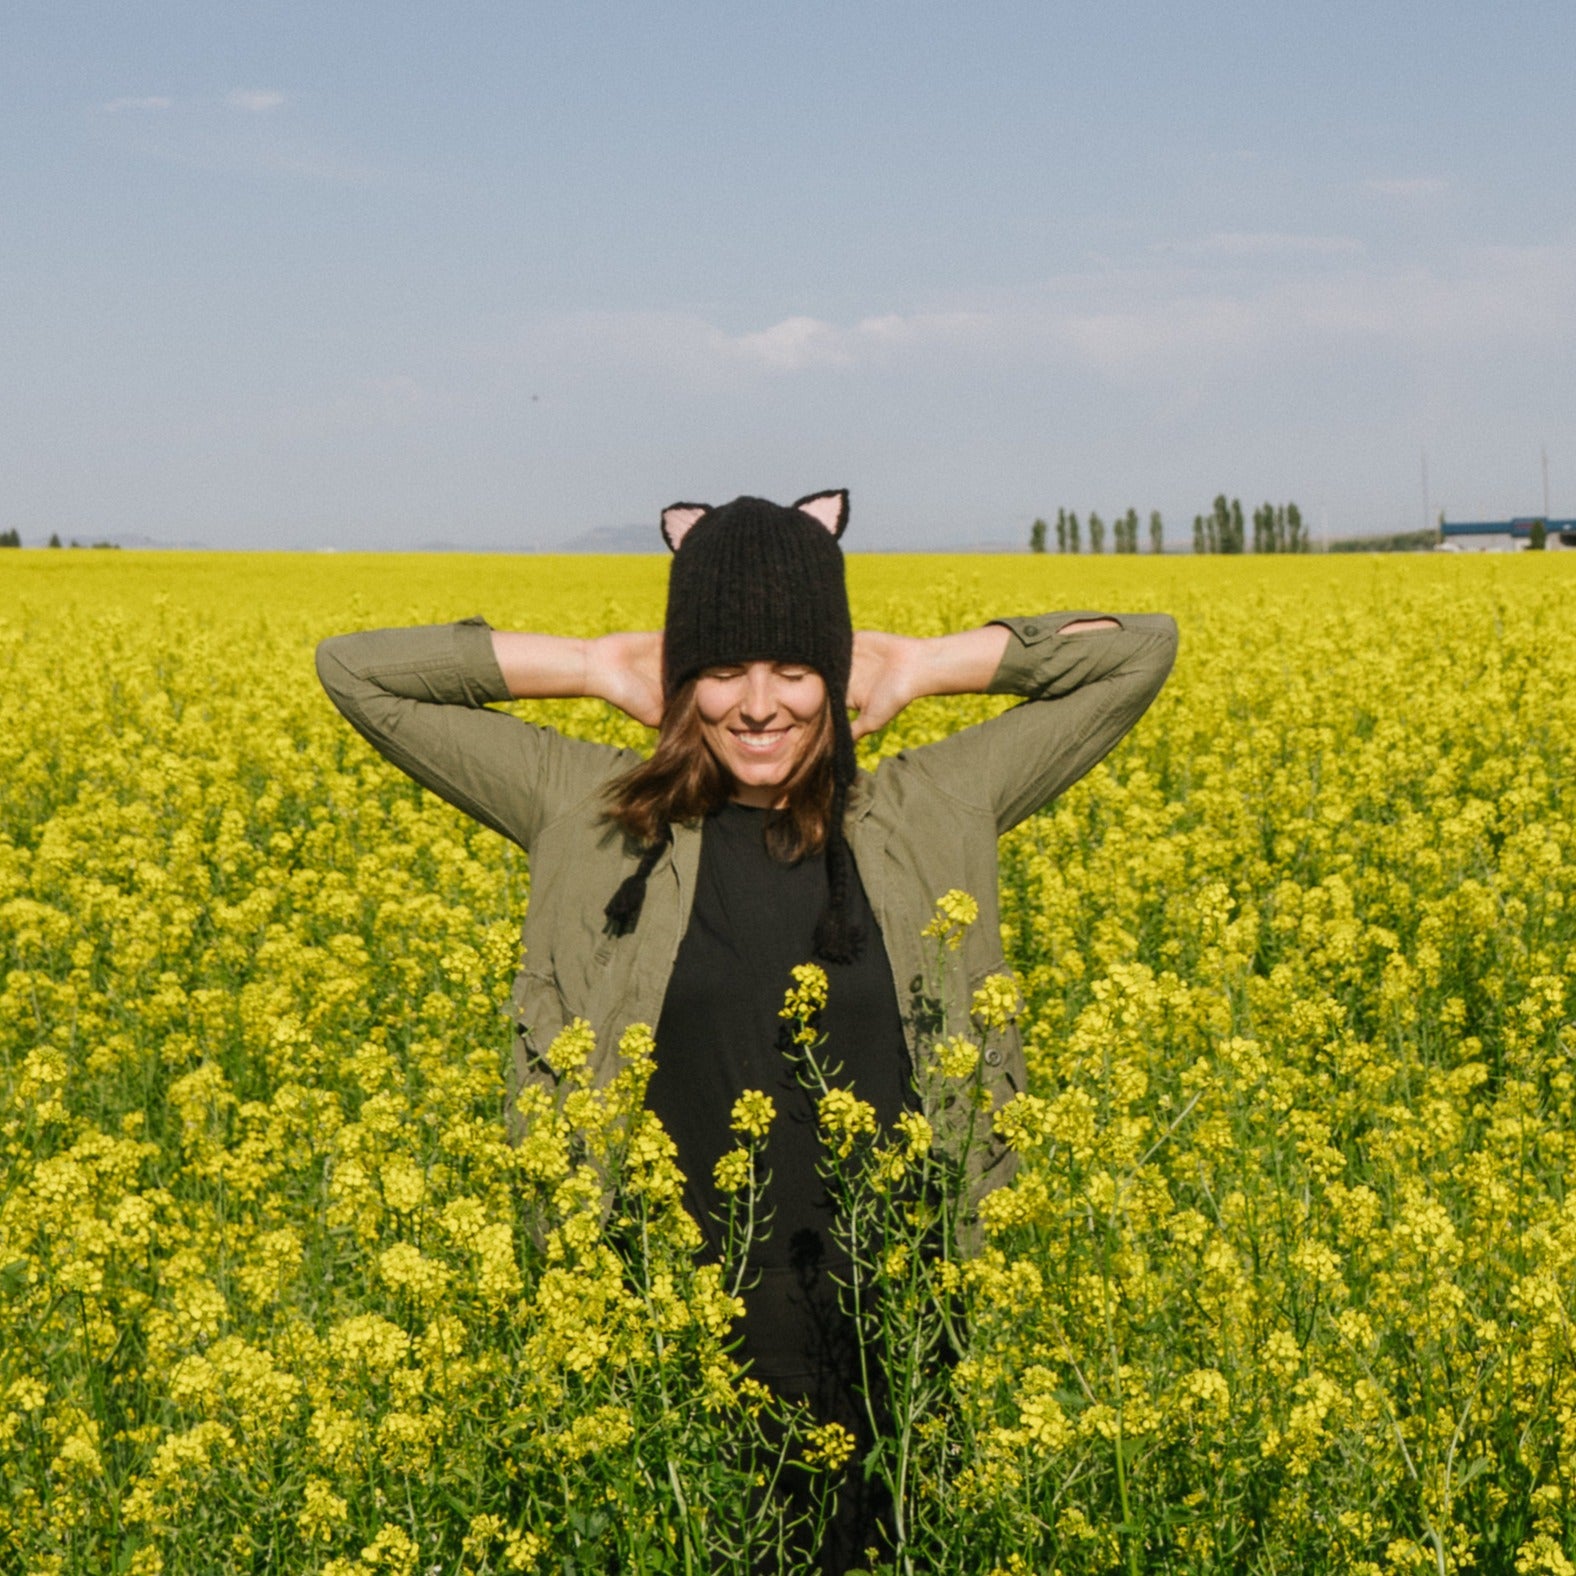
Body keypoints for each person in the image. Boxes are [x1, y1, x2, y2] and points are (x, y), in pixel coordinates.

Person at [315, 489, 1178, 1571]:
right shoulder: (587, 809)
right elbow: (356, 669)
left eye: (792, 666)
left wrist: (917, 664)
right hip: (654, 1356)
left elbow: (1141, 651)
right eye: (721, 669)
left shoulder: (930, 805)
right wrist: (595, 663)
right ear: (680, 683)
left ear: (835, 673)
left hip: (899, 1350)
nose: (757, 704)